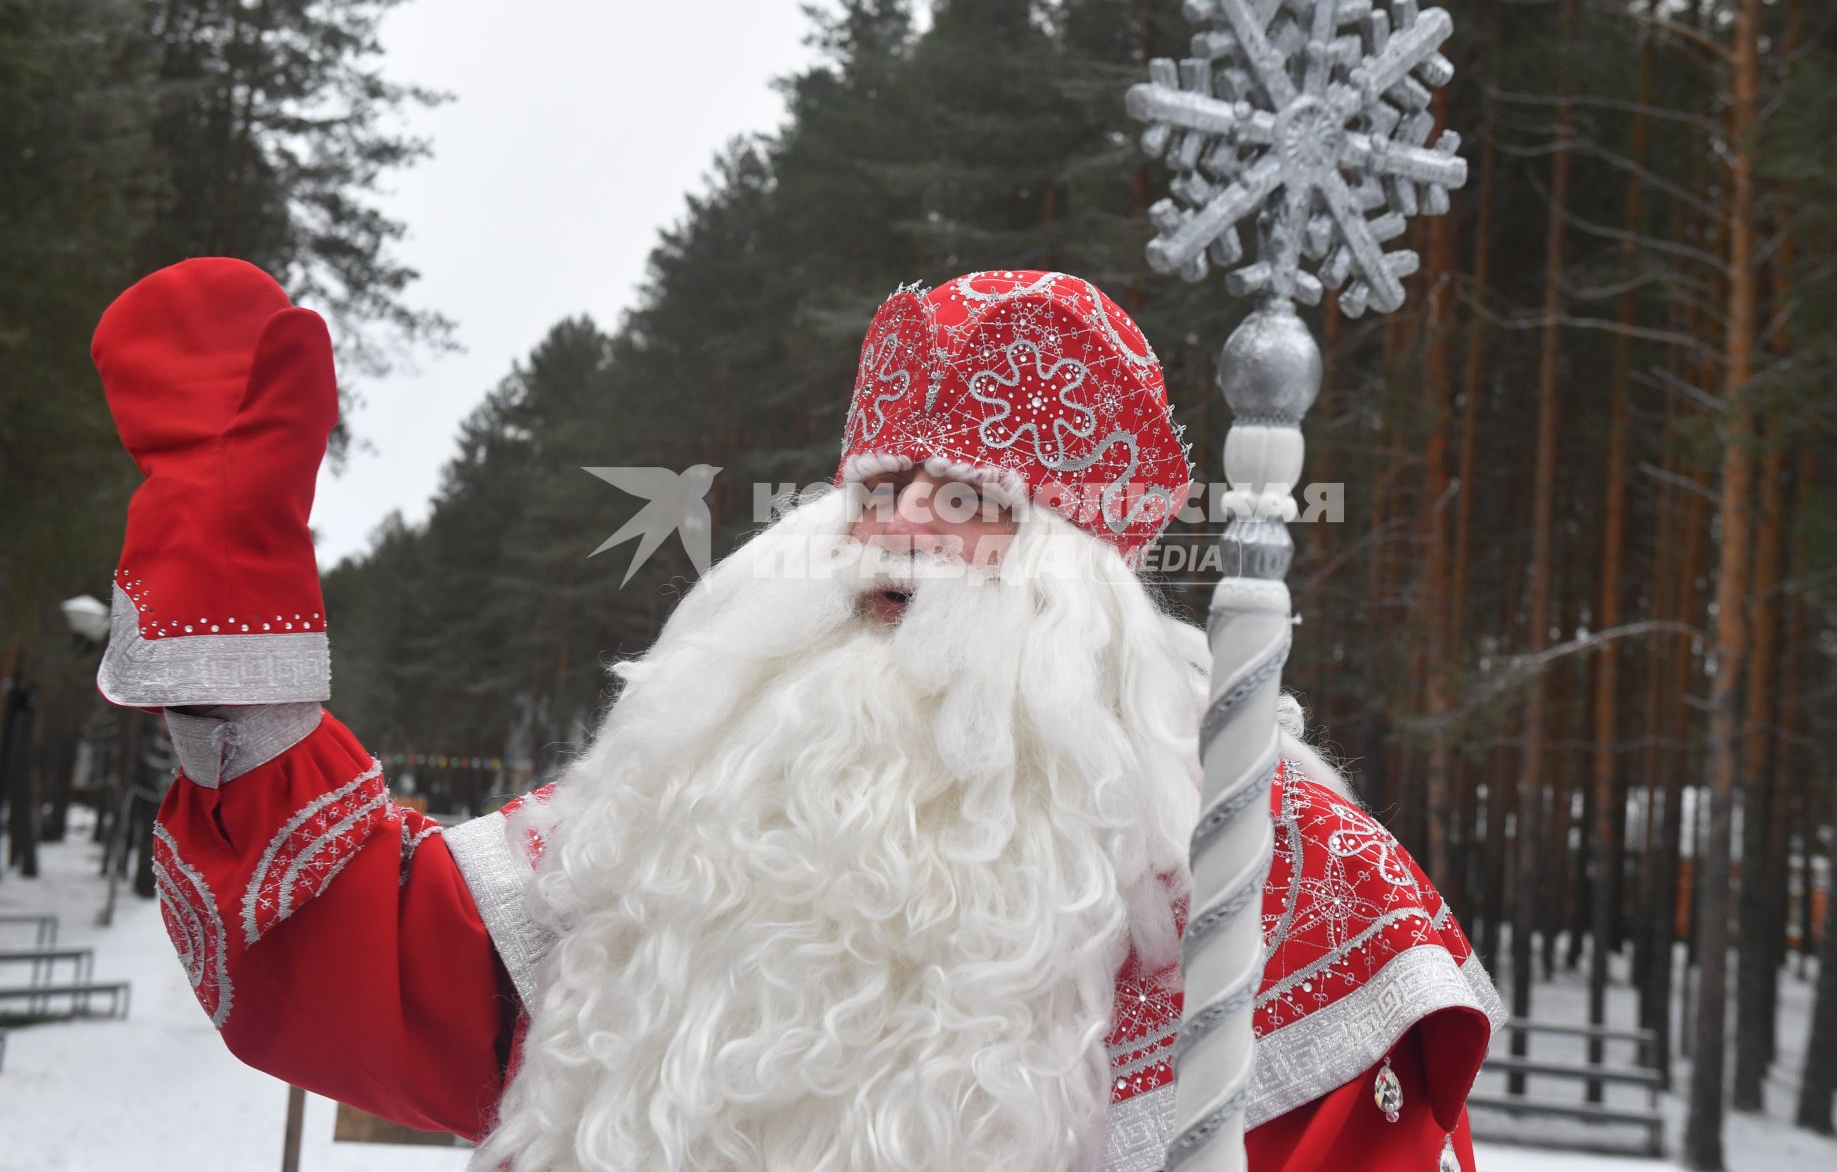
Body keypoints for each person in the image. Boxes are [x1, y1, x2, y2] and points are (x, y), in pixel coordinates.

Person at [92, 259, 1502, 1172]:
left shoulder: (1275, 882)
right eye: (877, 492)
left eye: (970, 507)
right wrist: (233, 593)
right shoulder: (676, 825)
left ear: (1086, 588)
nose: (899, 538)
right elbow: (351, 957)